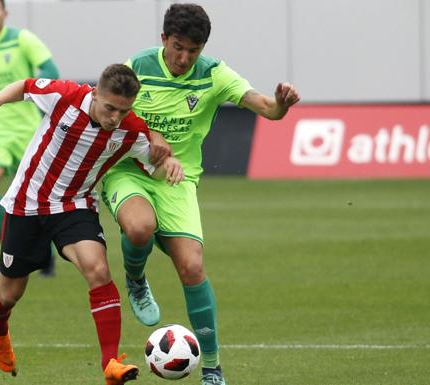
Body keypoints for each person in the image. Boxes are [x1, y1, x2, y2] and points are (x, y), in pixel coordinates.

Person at [100, 4, 301, 385]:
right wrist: (151, 138)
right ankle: (136, 279)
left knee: (192, 267)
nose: (184, 58)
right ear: (163, 40)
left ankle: (211, 367)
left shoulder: (214, 73)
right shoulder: (138, 66)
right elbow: (116, 111)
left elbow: (266, 109)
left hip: (178, 180)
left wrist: (281, 105)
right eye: (177, 47)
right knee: (140, 227)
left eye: (193, 50)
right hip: (129, 171)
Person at [0, 64, 184, 384]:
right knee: (9, 294)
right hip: (27, 204)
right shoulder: (66, 96)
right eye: (109, 108)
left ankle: (111, 363)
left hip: (74, 207)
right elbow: (26, 85)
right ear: (95, 94)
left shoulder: (131, 130)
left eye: (123, 111)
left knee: (98, 270)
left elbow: (156, 157)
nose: (114, 118)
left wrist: (169, 159)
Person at [0, 0, 59, 276]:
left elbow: (50, 70)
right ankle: (12, 251)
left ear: (4, 14)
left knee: (37, 197)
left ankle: (44, 253)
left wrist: (37, 100)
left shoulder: (23, 40)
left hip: (29, 128)